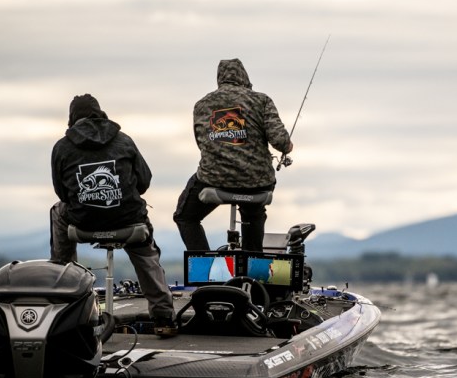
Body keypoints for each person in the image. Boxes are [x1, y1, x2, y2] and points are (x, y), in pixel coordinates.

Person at [50, 94, 177, 337]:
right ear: (100, 114)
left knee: (58, 210)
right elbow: (144, 182)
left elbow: (62, 193)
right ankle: (163, 316)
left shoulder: (61, 147)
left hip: (83, 221)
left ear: (72, 118)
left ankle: (64, 291)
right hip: (128, 220)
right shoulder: (124, 140)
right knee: (145, 250)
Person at [174, 59, 293, 253]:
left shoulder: (202, 105)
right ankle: (252, 264)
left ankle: (206, 265)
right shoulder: (261, 100)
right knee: (253, 213)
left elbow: (201, 143)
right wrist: (288, 146)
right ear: (244, 78)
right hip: (256, 180)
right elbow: (281, 142)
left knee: (185, 217)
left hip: (213, 179)